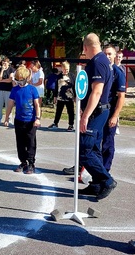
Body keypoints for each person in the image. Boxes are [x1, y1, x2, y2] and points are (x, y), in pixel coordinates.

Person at [78, 33, 115, 200]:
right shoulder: (102, 61)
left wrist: (85, 115)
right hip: (100, 110)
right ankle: (97, 185)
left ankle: (106, 181)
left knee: (85, 149)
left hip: (97, 111)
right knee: (94, 149)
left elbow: (97, 91)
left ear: (86, 47)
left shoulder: (98, 62)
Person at [4, 65, 40, 174]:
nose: (20, 83)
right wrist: (6, 118)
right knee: (20, 142)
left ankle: (31, 163)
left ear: (27, 78)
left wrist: (37, 118)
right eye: (18, 80)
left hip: (31, 121)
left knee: (30, 142)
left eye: (22, 80)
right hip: (19, 120)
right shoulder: (15, 90)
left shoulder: (32, 89)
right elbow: (10, 104)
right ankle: (23, 161)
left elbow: (37, 105)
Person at [101, 45, 126, 172]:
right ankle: (90, 170)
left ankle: (105, 171)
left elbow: (121, 96)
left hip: (110, 111)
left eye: (109, 54)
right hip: (99, 111)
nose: (107, 56)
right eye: (104, 53)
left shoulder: (118, 72)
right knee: (93, 141)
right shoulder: (100, 70)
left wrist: (115, 116)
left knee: (107, 143)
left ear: (115, 56)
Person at [48, 61, 75, 131]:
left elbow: (75, 86)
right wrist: (55, 96)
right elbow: (56, 87)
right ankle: (55, 123)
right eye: (64, 69)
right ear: (62, 68)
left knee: (70, 111)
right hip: (60, 97)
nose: (66, 71)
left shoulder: (72, 76)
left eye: (67, 69)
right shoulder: (58, 76)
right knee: (58, 111)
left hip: (69, 97)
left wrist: (75, 96)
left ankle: (71, 125)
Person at [0, 57, 14, 125]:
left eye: (5, 63)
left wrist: (1, 80)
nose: (4, 64)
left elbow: (10, 80)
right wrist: (2, 70)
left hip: (8, 90)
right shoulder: (0, 69)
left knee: (8, 105)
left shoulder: (11, 69)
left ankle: (9, 119)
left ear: (8, 63)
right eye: (3, 63)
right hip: (0, 89)